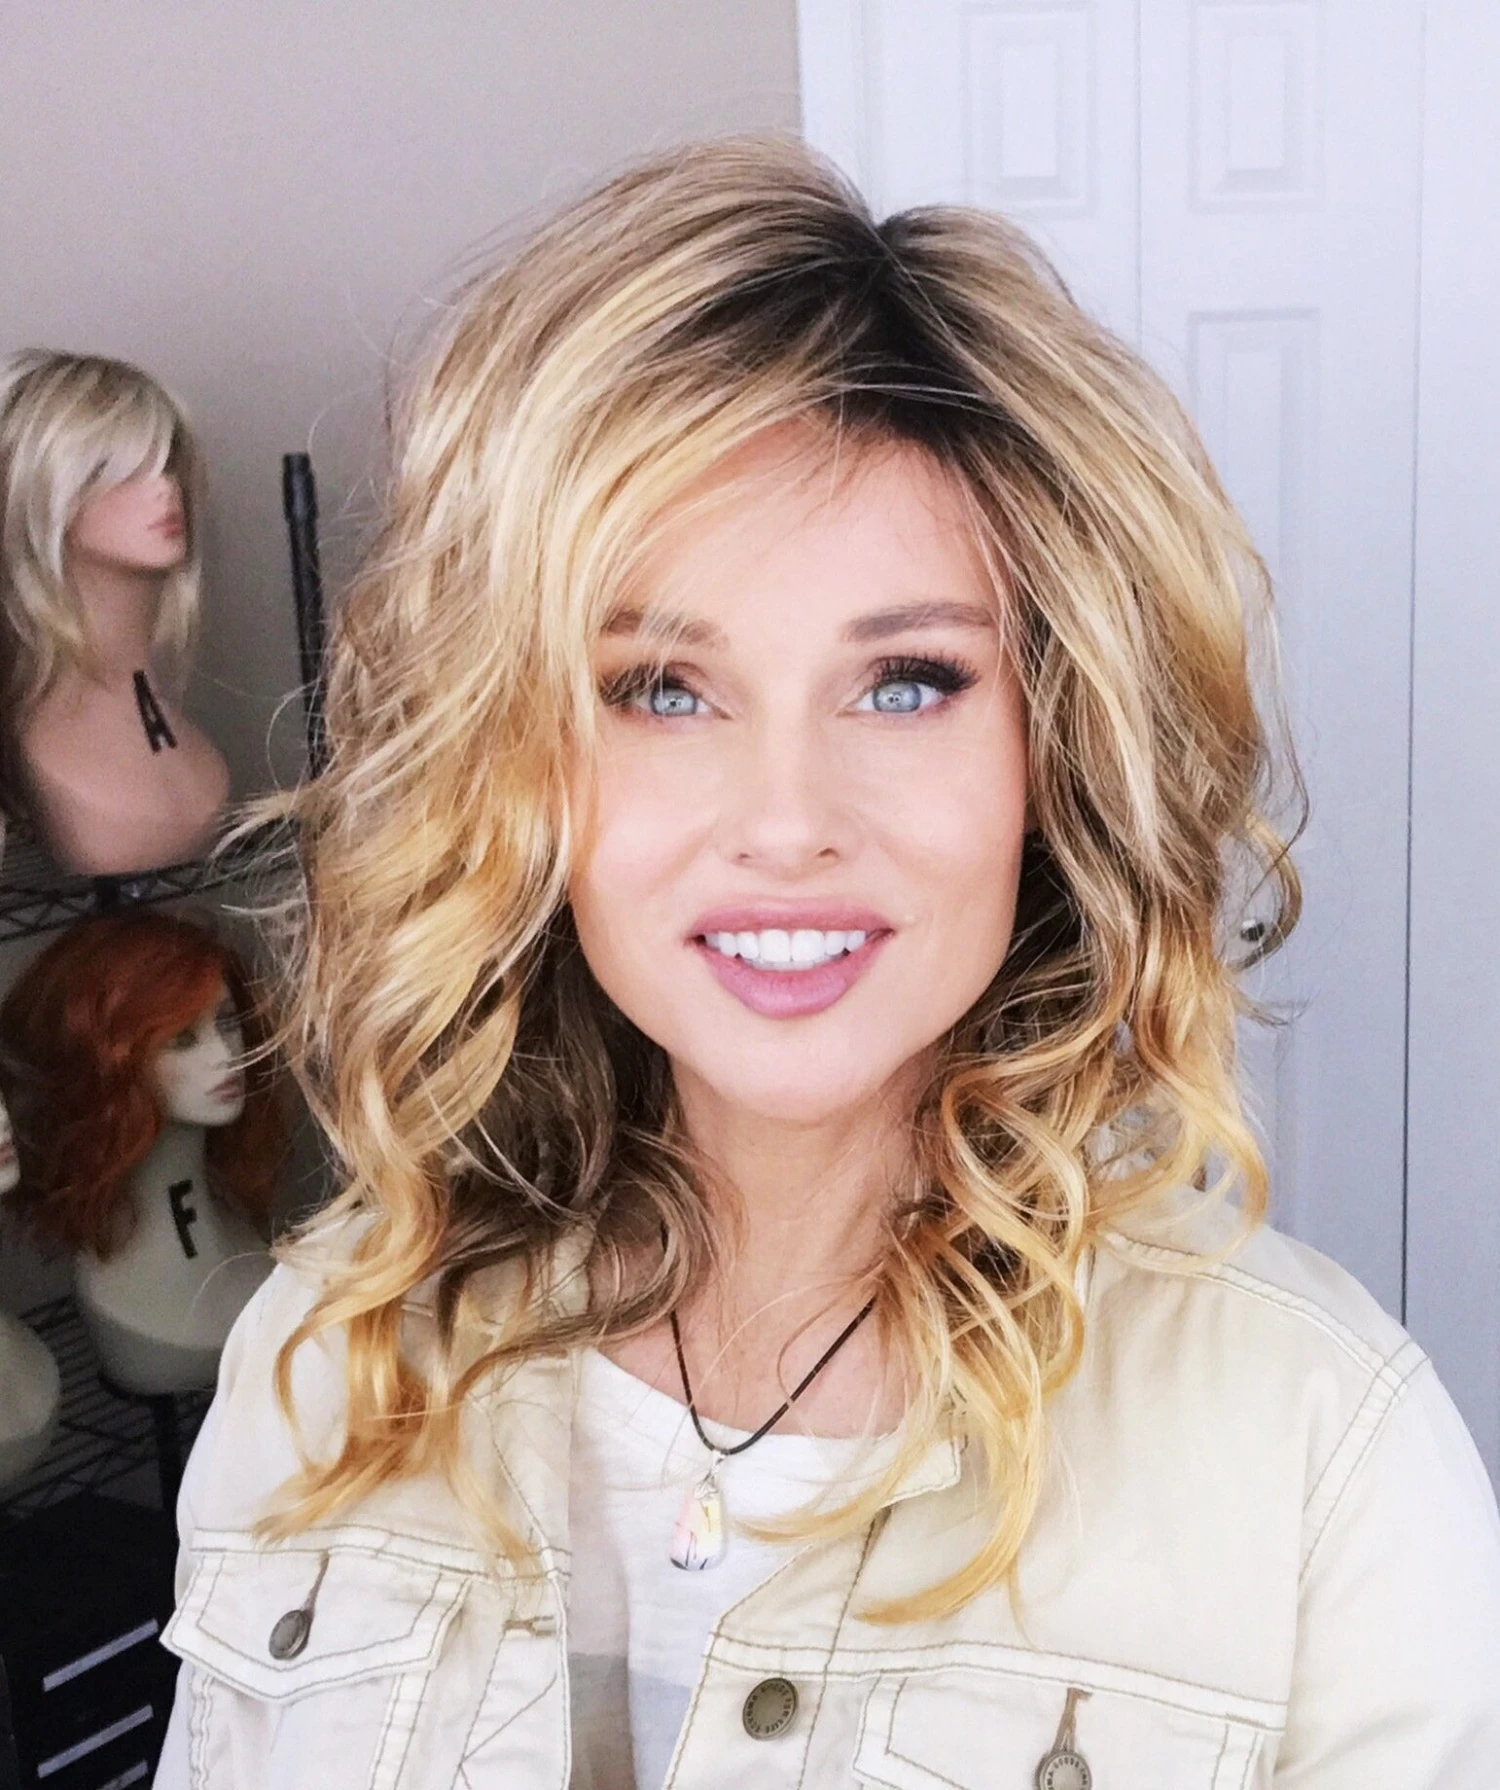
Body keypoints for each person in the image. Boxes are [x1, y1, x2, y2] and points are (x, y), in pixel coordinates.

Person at [152, 134, 1500, 1790]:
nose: (786, 821)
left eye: (908, 681)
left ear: (1056, 748)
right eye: (661, 688)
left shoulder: (1325, 1465)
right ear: (519, 758)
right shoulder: (323, 1360)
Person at [0, 349, 230, 873]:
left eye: (167, 463)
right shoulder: (45, 754)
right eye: (121, 471)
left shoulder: (159, 714)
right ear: (46, 497)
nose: (165, 488)